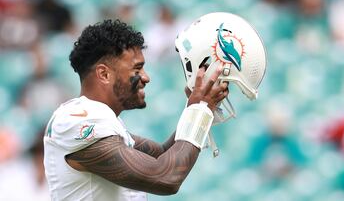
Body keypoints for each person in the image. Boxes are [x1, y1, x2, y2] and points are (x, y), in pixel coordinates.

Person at [43, 19, 229, 200]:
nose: (146, 77)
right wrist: (200, 110)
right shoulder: (77, 120)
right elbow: (166, 177)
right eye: (137, 68)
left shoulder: (104, 122)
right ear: (104, 74)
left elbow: (163, 154)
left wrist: (197, 105)